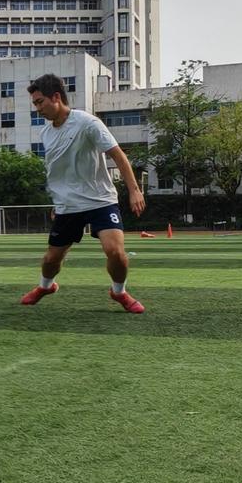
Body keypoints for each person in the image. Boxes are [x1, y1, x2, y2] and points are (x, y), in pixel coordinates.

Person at [20, 74, 147, 313]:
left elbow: (118, 155)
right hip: (68, 206)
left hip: (100, 200)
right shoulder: (45, 134)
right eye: (35, 103)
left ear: (55, 97)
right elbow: (58, 172)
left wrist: (134, 190)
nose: (37, 108)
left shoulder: (88, 123)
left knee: (116, 252)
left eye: (39, 102)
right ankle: (46, 286)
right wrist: (57, 202)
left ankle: (119, 292)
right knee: (51, 260)